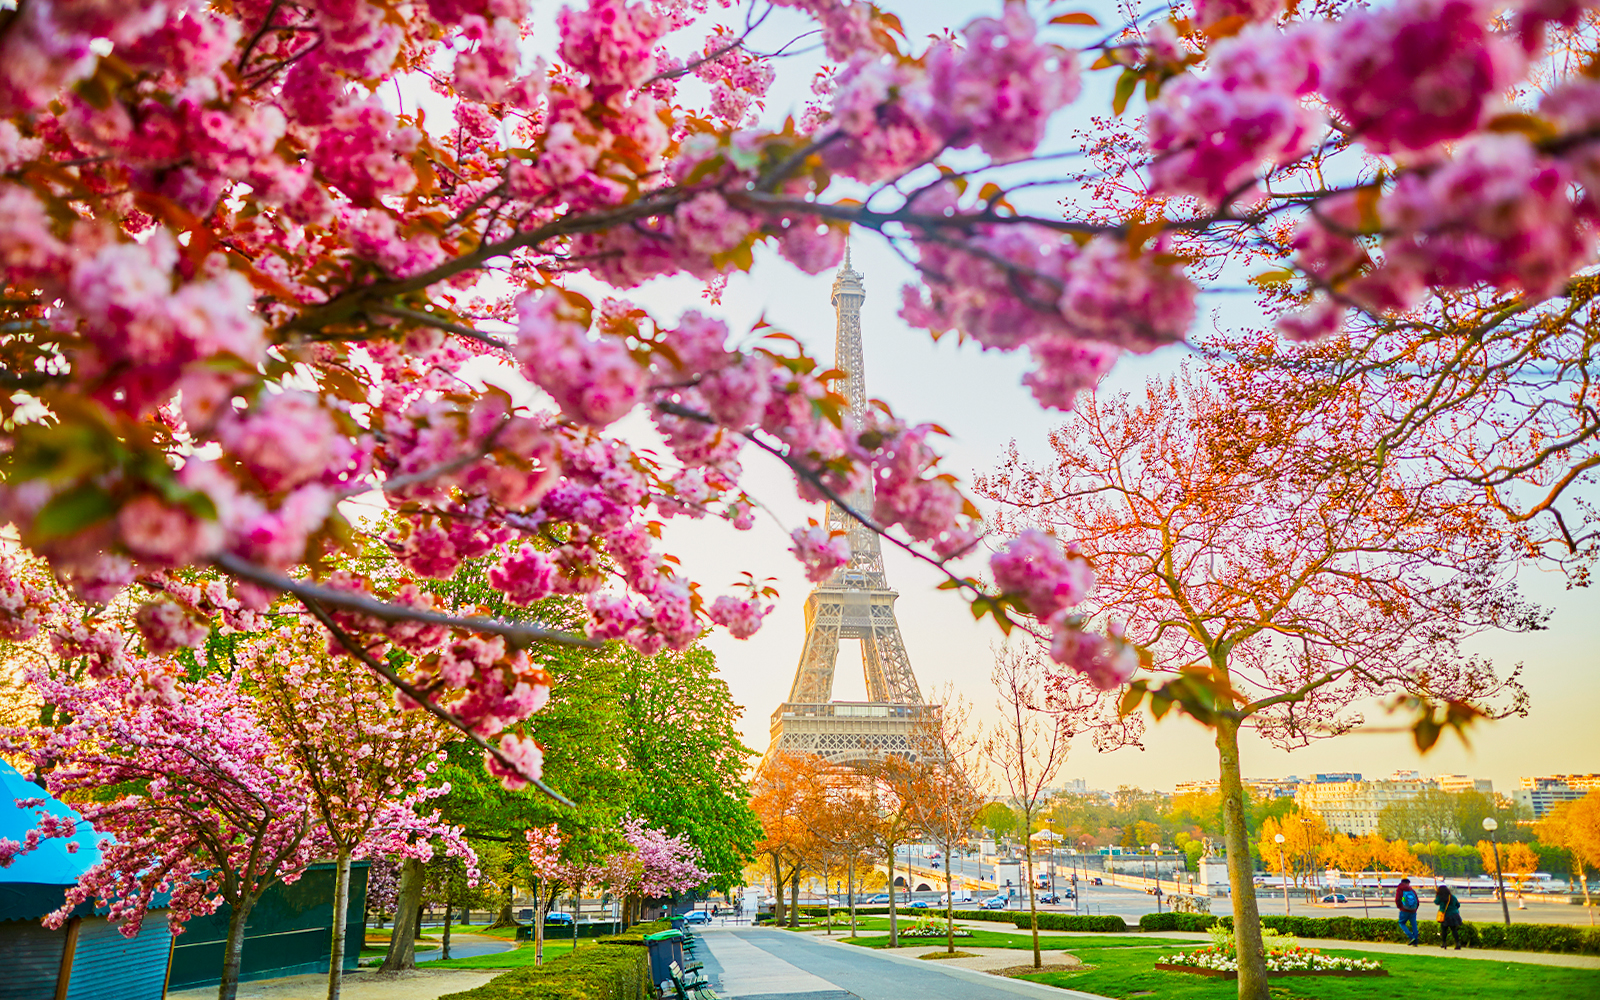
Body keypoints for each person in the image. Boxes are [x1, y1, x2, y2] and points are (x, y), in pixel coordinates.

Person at [1434, 884, 1464, 950]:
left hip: (1445, 915)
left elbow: (1436, 902)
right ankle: (1457, 943)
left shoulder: (1440, 897)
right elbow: (1458, 904)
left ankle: (1444, 943)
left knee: (1444, 929)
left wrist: (1437, 896)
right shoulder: (1452, 897)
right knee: (1454, 929)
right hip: (1454, 914)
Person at [1394, 877, 1421, 946]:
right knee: (1414, 925)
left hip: (1404, 910)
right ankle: (1416, 941)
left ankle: (1411, 937)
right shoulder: (1411, 890)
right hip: (1413, 910)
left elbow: (1397, 899)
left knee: (1401, 923)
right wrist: (1415, 908)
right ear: (1408, 883)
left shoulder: (1400, 889)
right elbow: (1417, 901)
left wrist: (1401, 907)